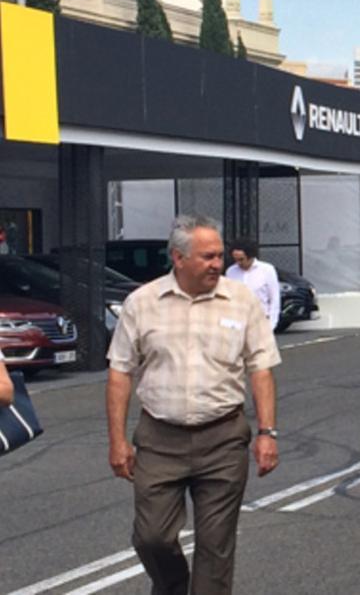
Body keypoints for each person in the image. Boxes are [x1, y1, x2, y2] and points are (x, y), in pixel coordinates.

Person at [106, 214, 281, 595]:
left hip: (223, 438)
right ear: (178, 258)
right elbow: (120, 372)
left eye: (219, 255)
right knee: (152, 537)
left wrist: (267, 432)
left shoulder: (242, 301)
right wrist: (117, 440)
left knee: (215, 547)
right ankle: (172, 585)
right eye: (208, 256)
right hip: (159, 438)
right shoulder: (142, 303)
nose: (218, 264)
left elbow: (261, 369)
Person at [225, 238, 281, 331]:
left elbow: (274, 299)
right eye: (235, 259)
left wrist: (271, 324)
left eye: (241, 259)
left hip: (260, 321)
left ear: (250, 256)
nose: (238, 263)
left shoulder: (267, 270)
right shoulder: (231, 272)